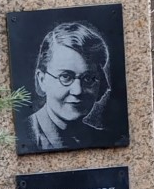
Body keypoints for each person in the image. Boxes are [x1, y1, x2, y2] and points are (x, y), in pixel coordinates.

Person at [23, 21, 113, 150]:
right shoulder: (23, 136)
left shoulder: (106, 140)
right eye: (65, 77)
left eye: (88, 78)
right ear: (42, 80)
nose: (78, 91)